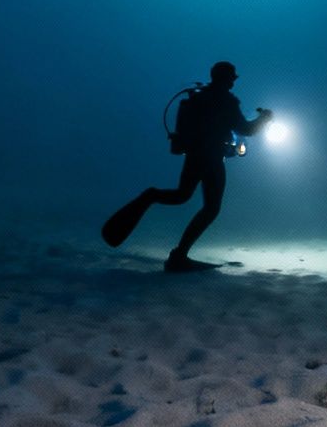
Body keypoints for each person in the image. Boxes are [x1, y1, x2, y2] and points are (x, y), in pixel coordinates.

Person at [105, 61, 272, 272]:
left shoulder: (199, 97)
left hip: (194, 155)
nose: (233, 82)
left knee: (182, 195)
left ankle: (153, 198)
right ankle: (179, 255)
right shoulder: (226, 100)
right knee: (211, 208)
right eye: (232, 78)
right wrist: (264, 118)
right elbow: (246, 129)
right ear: (225, 78)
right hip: (211, 158)